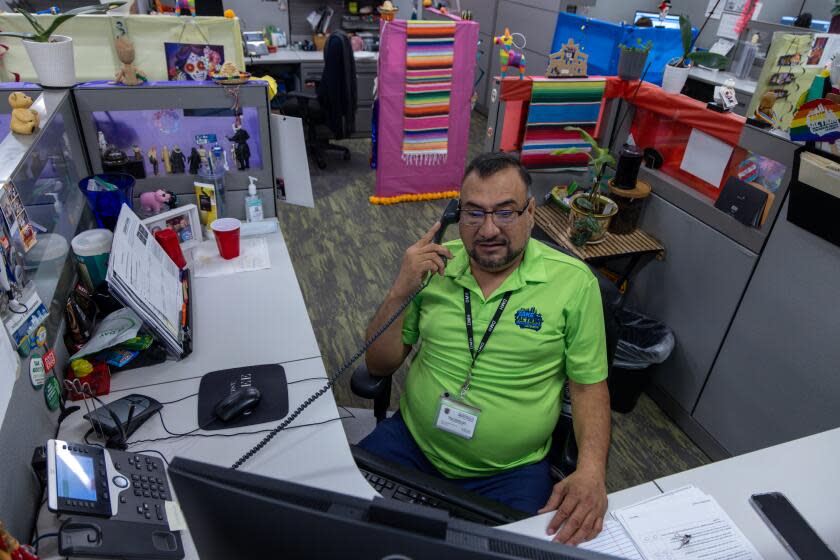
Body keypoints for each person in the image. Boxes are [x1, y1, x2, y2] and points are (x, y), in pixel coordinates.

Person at [360, 152, 611, 546]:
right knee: (342, 524)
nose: (488, 229)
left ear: (531, 212)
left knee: (520, 552)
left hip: (510, 472)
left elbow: (588, 388)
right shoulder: (435, 268)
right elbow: (379, 363)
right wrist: (399, 291)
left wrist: (592, 471)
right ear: (456, 216)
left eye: (505, 212)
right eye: (474, 213)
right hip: (412, 444)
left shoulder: (574, 285)